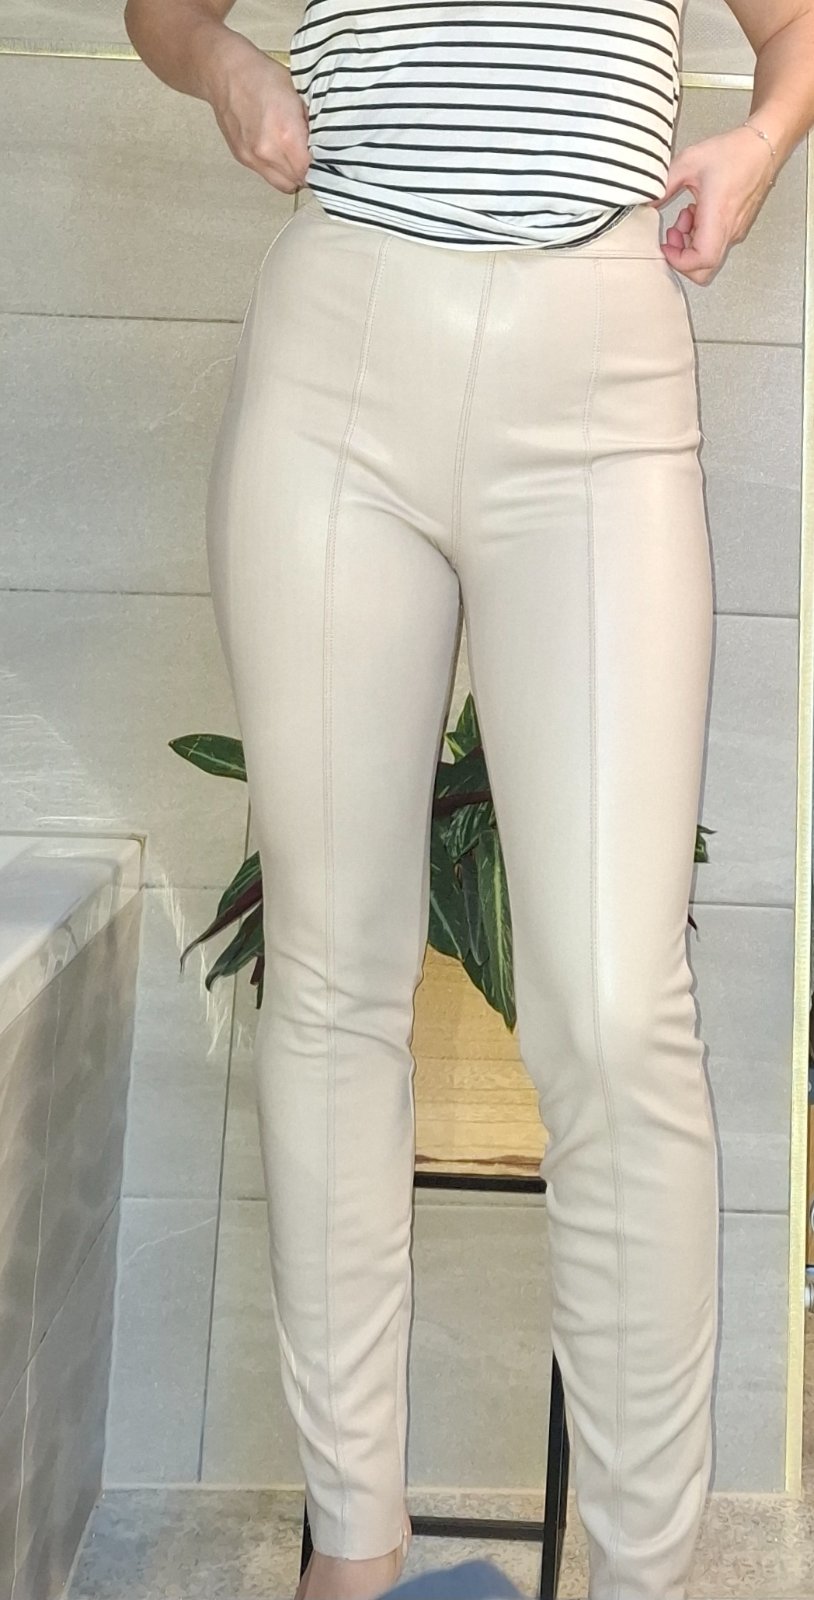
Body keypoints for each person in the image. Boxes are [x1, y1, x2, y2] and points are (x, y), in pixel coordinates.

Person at [123, 2, 814, 1596]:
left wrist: (760, 143)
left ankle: (640, 1573)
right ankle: (353, 1550)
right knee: (331, 973)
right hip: (339, 346)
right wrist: (226, 68)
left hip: (598, 361)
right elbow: (165, 11)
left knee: (615, 1004)